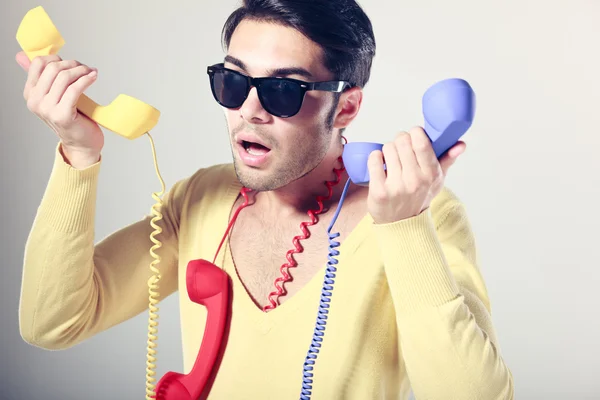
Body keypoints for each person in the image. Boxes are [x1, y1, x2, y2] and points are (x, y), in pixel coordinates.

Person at [15, 0, 514, 399]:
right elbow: (52, 323)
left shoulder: (422, 216)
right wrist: (80, 153)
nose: (249, 110)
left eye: (282, 90)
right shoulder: (199, 199)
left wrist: (405, 226)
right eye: (232, 81)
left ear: (347, 106)